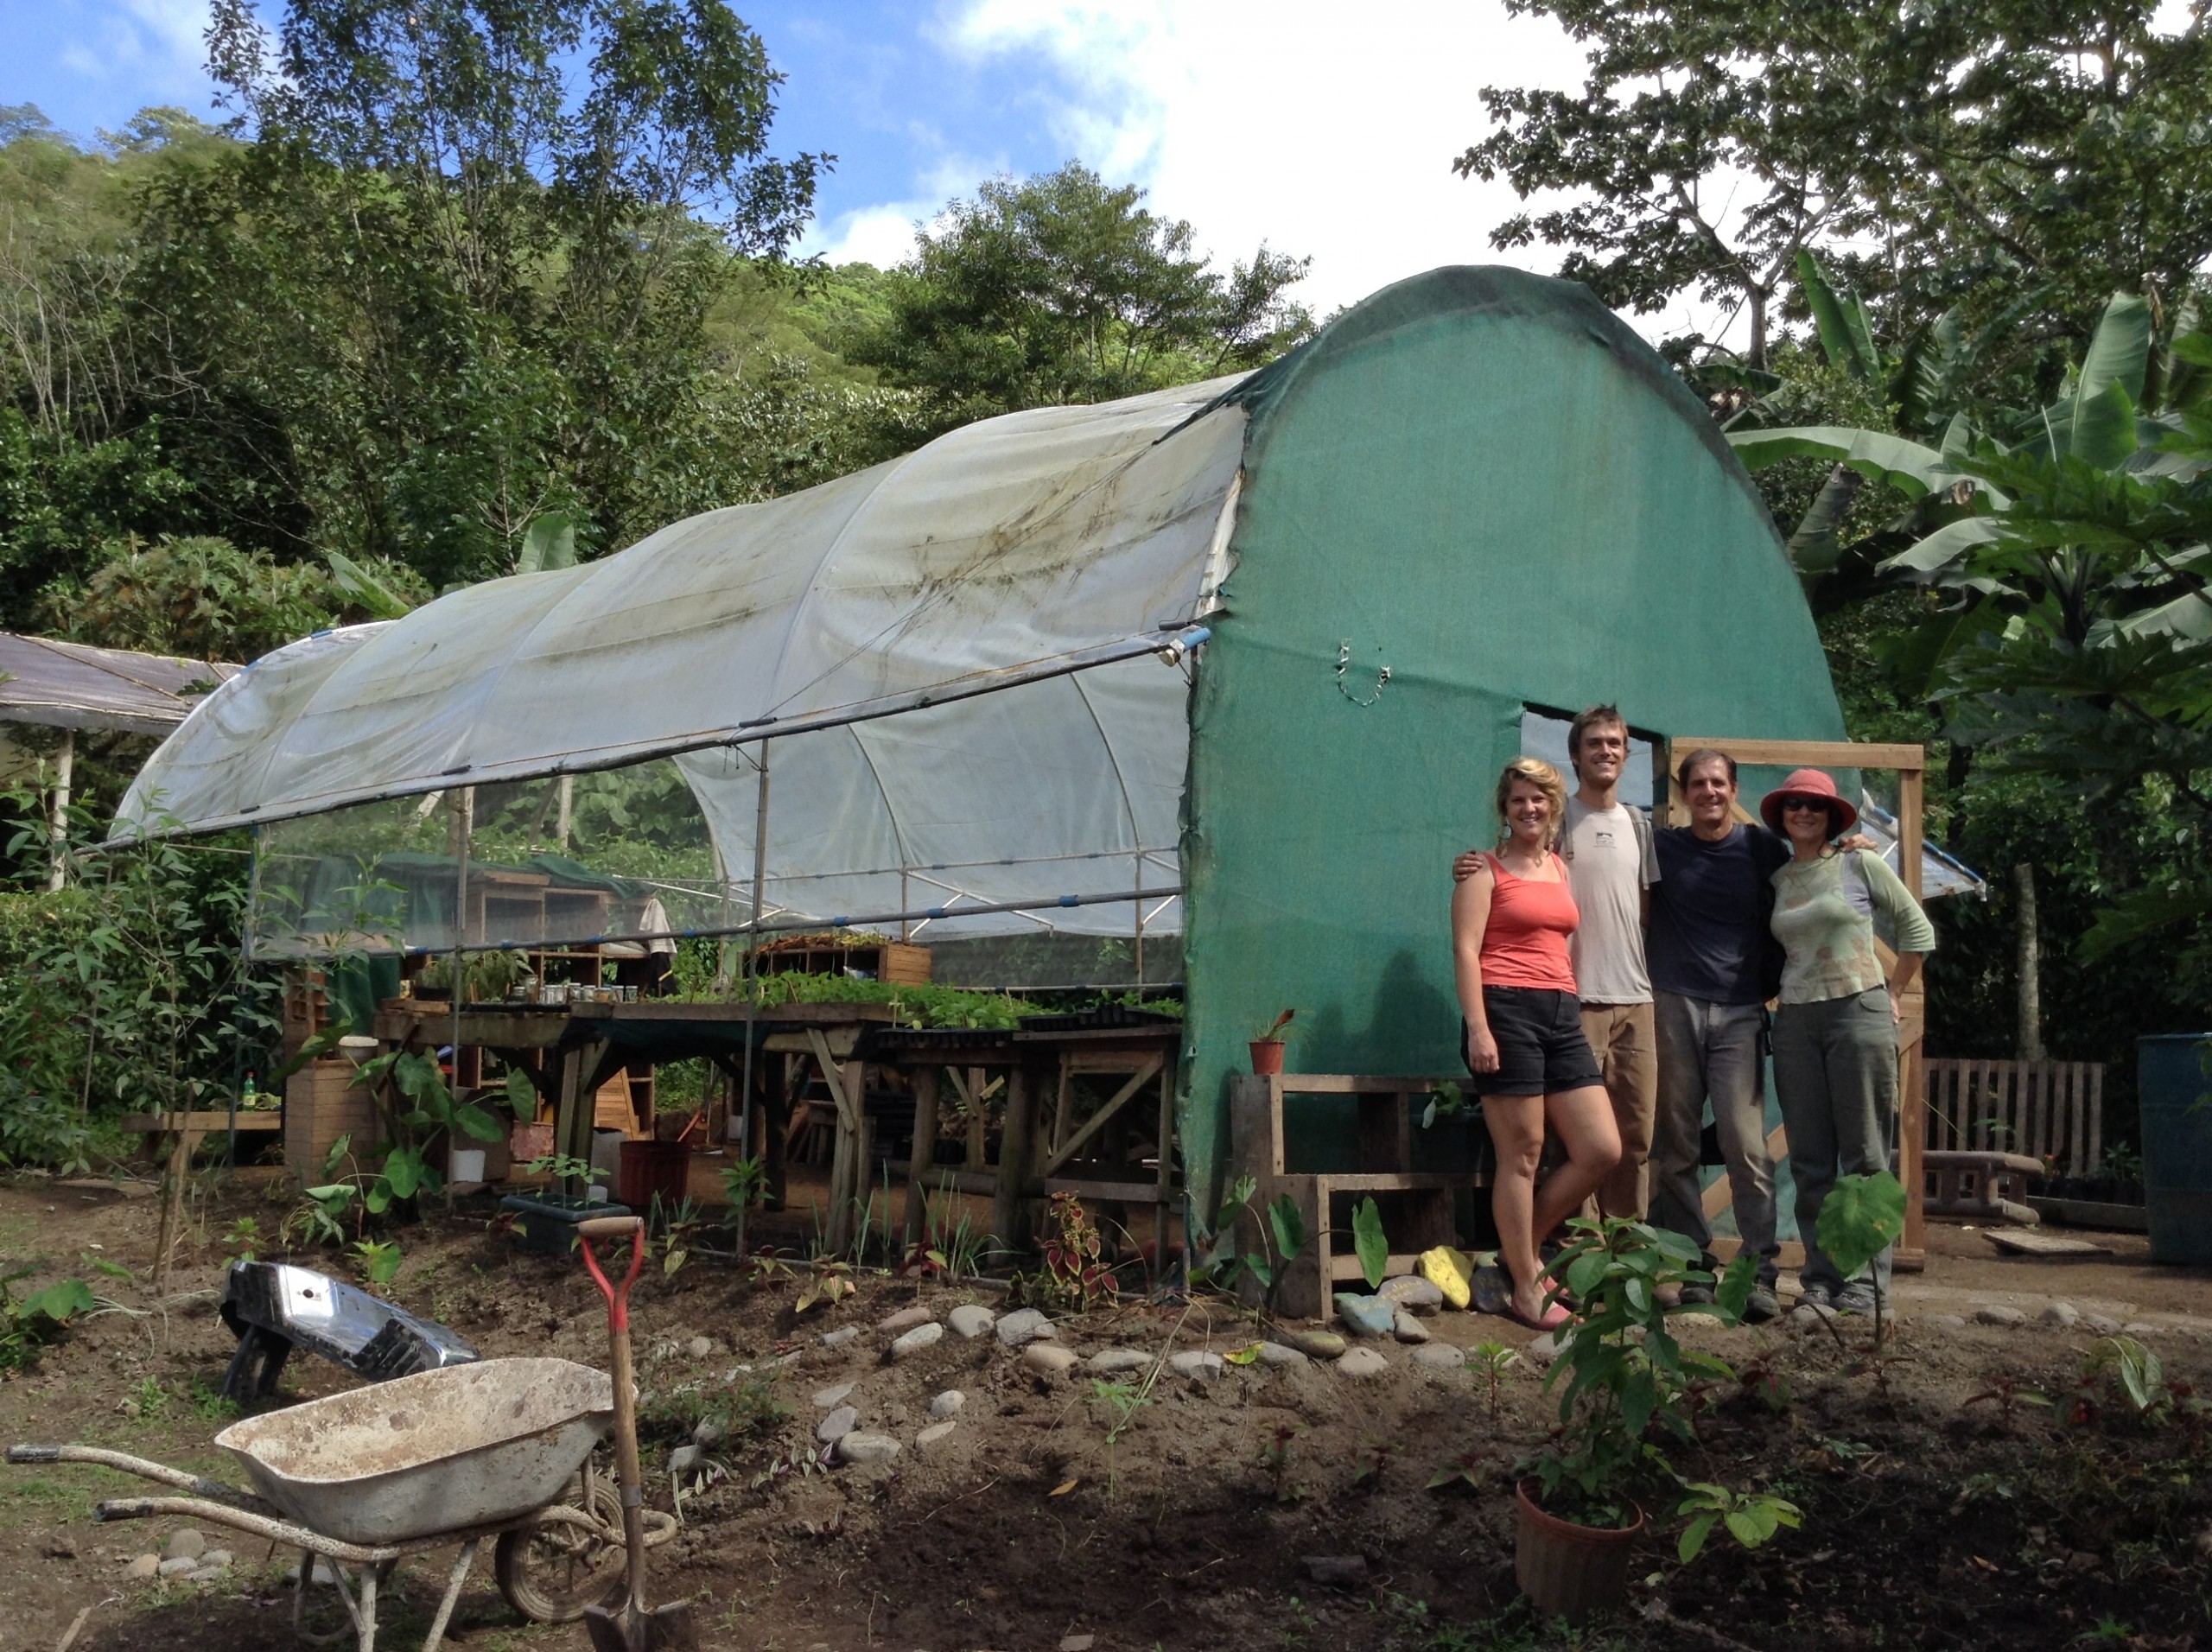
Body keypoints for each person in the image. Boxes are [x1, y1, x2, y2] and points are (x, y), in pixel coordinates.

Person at [1455, 706, 1657, 1219]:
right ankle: (1568, 1255)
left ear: (1627, 753)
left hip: (1634, 996)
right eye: (1594, 743)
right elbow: (1510, 874)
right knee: (1561, 1145)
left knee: (1631, 1141)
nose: (1606, 751)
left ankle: (1625, 1257)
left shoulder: (1640, 824)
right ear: (1575, 755)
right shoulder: (1557, 825)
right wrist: (1473, 865)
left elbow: (1647, 908)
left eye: (1615, 742)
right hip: (1571, 1000)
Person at [1452, 756, 1622, 1330]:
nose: (1529, 808)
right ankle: (1527, 1288)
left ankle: (1517, 1255)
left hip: (1560, 1013)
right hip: (1505, 1010)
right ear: (1505, 808)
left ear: (1553, 807)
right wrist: (1479, 1027)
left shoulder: (1559, 868)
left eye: (1539, 799)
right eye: (1519, 799)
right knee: (1523, 1154)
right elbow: (1465, 953)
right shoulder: (1483, 873)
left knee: (1601, 1148)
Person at [1762, 767, 1936, 1315]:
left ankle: (1866, 1284)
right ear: (1783, 815)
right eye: (1794, 805)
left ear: (1832, 815)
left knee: (1864, 1157)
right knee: (1810, 1161)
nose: (1804, 813)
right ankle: (1819, 1279)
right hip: (1794, 1022)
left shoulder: (1860, 862)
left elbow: (1917, 928)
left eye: (1815, 805)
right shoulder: (1778, 879)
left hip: (1857, 1013)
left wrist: (1896, 989)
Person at [1643, 748, 1789, 1323]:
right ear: (1684, 792)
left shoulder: (1761, 849)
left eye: (1718, 782)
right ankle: (1690, 1266)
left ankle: (1759, 1271)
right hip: (1672, 1003)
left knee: (1746, 1145)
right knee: (1674, 1144)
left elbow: (1811, 876)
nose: (1709, 791)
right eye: (1698, 783)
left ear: (1734, 788)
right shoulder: (1662, 848)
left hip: (1740, 1012)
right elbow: (1583, 856)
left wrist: (1846, 851)